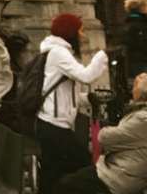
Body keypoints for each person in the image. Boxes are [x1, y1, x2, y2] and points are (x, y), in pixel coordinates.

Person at [35, 12, 109, 194]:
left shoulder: (59, 51)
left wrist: (85, 99)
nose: (82, 35)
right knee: (82, 163)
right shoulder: (58, 52)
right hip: (54, 123)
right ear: (70, 32)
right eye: (80, 31)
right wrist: (101, 55)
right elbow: (85, 76)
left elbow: (65, 89)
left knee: (53, 171)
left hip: (52, 122)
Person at [57, 72, 147, 193]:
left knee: (66, 184)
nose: (132, 89)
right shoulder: (139, 114)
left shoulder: (142, 118)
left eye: (136, 85)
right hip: (122, 170)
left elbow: (104, 138)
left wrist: (107, 131)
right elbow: (127, 140)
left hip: (117, 177)